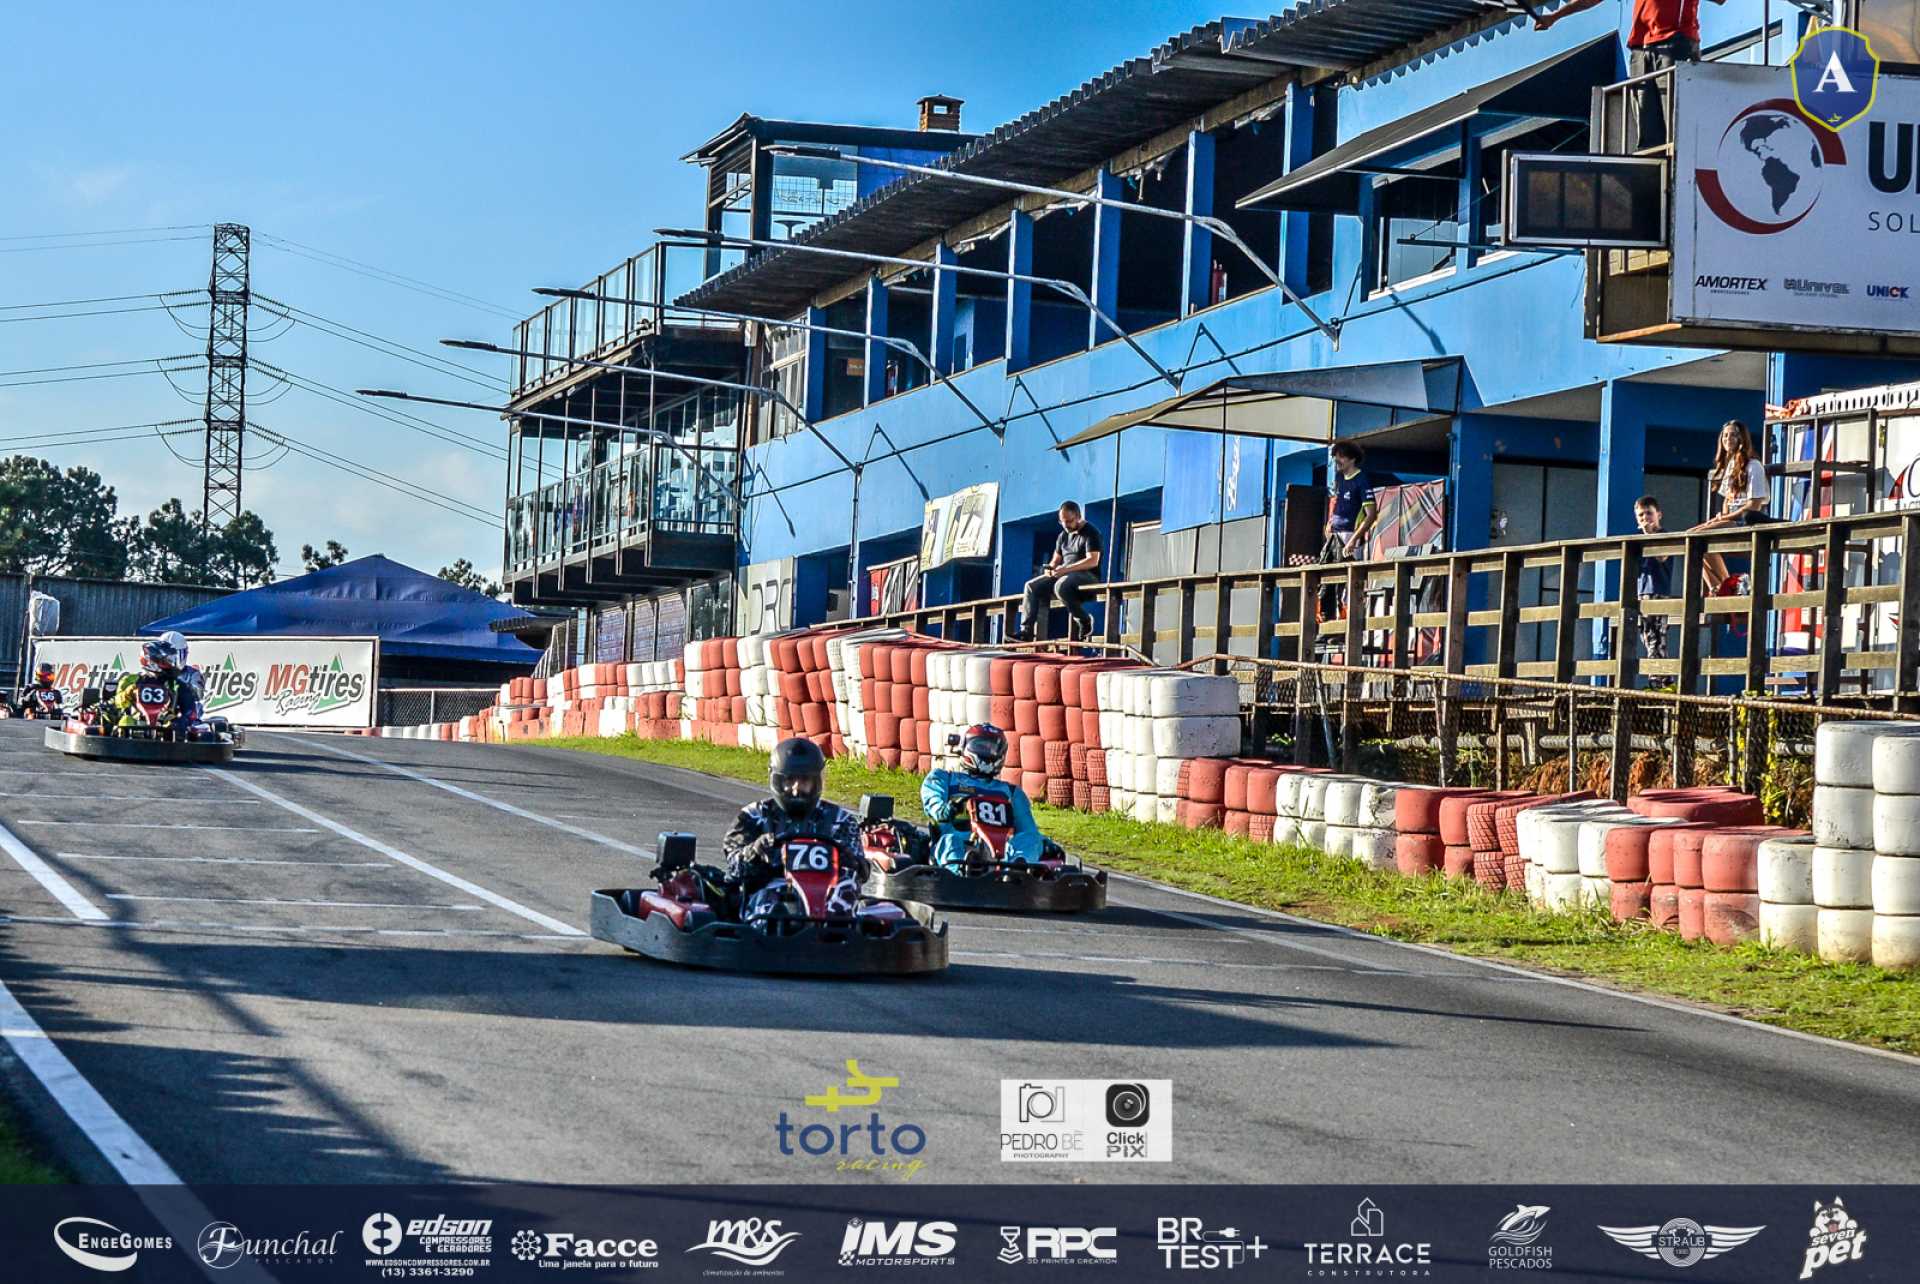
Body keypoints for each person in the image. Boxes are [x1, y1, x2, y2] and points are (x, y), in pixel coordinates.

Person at [1535, 0, 1725, 150]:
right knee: (1647, 129)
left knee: (1678, 125)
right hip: (1640, 49)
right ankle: (1653, 180)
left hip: (1675, 42)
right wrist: (1554, 16)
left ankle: (1684, 177)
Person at [721, 737, 866, 919]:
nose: (796, 789)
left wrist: (847, 859)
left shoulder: (840, 820)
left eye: (804, 781)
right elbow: (733, 869)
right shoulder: (753, 816)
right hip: (770, 892)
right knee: (769, 907)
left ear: (816, 781)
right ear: (777, 780)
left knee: (848, 886)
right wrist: (755, 852)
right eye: (790, 780)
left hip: (827, 896)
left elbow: (861, 872)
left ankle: (837, 928)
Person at [921, 724, 1044, 871]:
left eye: (992, 749)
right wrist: (945, 811)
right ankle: (960, 870)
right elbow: (933, 803)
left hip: (1002, 852)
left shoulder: (1012, 792)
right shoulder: (944, 779)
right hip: (960, 840)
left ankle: (1017, 869)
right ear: (965, 746)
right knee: (950, 840)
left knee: (1031, 839)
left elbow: (1028, 829)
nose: (987, 752)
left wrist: (1042, 843)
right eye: (981, 747)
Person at [1695, 419, 1769, 594]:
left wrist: (1724, 518)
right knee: (1690, 536)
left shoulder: (1754, 466)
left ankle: (1727, 587)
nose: (1728, 438)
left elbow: (1754, 506)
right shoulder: (1730, 466)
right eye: (1725, 435)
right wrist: (1718, 519)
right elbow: (1727, 502)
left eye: (1733, 435)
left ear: (1742, 439)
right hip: (1731, 519)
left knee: (1698, 538)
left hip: (1747, 521)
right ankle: (1722, 588)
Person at [1014, 502, 1103, 642]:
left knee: (1060, 585)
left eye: (1069, 521)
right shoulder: (1063, 536)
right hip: (1065, 575)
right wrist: (1049, 569)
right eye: (1062, 522)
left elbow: (1093, 561)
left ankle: (1084, 620)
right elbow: (1055, 560)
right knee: (1031, 586)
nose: (1066, 525)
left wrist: (1066, 569)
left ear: (1078, 517)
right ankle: (1026, 631)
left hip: (1087, 575)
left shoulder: (1091, 533)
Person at [1633, 495, 1673, 662]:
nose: (1645, 518)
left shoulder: (1664, 535)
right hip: (1642, 592)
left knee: (1657, 639)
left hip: (1658, 591)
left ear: (1659, 515)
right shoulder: (1638, 539)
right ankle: (1660, 674)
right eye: (1641, 515)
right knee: (1647, 636)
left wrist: (1649, 534)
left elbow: (1662, 556)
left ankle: (1658, 675)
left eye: (1649, 513)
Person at [112, 638, 185, 727]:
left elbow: (187, 704)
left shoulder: (173, 682)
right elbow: (118, 703)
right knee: (126, 721)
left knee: (176, 723)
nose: (170, 664)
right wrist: (128, 693)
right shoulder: (130, 679)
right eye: (165, 661)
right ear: (150, 661)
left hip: (164, 723)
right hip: (136, 722)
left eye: (170, 660)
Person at [1325, 441, 1379, 559]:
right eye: (1335, 457)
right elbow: (1336, 502)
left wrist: (1353, 540)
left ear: (1352, 459)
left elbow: (1371, 515)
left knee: (1349, 569)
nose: (1337, 460)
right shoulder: (1339, 477)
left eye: (1341, 457)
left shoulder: (1362, 480)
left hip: (1350, 535)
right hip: (1334, 534)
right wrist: (1330, 523)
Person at [161, 630, 205, 723]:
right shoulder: (155, 674)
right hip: (158, 717)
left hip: (186, 721)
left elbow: (197, 698)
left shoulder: (193, 674)